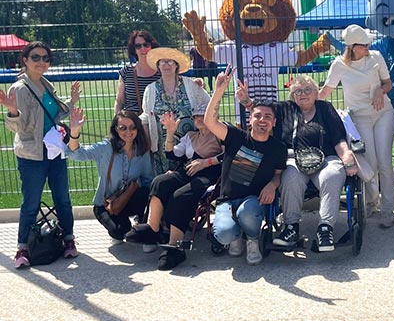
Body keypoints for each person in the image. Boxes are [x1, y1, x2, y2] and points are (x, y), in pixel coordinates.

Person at [237, 75, 357, 252]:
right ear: (293, 95)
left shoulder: (326, 108)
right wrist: (246, 100)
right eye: (298, 91)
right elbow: (262, 113)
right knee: (290, 176)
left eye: (307, 90)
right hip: (293, 158)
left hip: (325, 158)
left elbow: (338, 138)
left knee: (332, 174)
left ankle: (325, 228)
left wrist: (346, 156)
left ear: (316, 93)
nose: (303, 94)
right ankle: (291, 227)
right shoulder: (284, 108)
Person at [0, 41, 81, 269]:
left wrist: (71, 101)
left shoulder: (46, 84)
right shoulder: (19, 89)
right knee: (31, 202)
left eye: (46, 58)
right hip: (32, 155)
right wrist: (13, 111)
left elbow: (54, 113)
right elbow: (18, 127)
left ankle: (68, 240)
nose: (41, 62)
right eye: (36, 57)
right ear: (25, 60)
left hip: (54, 151)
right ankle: (22, 247)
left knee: (63, 199)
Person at [205, 65, 287, 266]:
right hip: (226, 200)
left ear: (274, 123)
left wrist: (273, 185)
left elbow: (278, 174)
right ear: (250, 119)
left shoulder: (278, 148)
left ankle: (252, 239)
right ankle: (234, 237)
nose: (262, 120)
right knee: (224, 234)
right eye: (257, 116)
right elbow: (209, 121)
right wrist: (219, 92)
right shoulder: (235, 136)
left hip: (253, 200)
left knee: (247, 211)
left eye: (268, 117)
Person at [125, 103, 223, 270]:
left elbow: (229, 155)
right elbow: (172, 154)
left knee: (180, 195)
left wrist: (205, 162)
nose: (199, 118)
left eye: (203, 114)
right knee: (160, 181)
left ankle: (175, 246)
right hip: (187, 171)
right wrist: (170, 133)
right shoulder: (191, 136)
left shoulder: (220, 135)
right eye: (196, 115)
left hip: (210, 175)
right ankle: (153, 228)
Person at [319, 24, 394, 228]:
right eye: (363, 44)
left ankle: (388, 209)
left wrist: (381, 91)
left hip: (383, 114)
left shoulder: (376, 57)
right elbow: (326, 90)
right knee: (369, 163)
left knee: (385, 162)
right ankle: (371, 201)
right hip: (359, 117)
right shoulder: (339, 64)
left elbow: (388, 83)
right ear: (352, 47)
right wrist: (307, 104)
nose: (368, 46)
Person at [66, 109, 152, 245]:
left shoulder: (142, 150)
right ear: (116, 129)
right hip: (105, 204)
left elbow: (148, 180)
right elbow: (76, 154)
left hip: (129, 198)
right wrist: (75, 131)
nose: (128, 132)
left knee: (146, 193)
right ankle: (120, 226)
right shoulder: (106, 148)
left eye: (132, 127)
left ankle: (144, 233)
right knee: (120, 232)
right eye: (123, 128)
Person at [141, 47, 210, 175]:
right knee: (163, 184)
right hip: (162, 150)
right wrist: (148, 143)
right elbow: (145, 118)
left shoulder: (191, 85)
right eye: (163, 61)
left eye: (170, 61)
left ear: (176, 65)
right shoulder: (150, 90)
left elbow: (209, 106)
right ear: (158, 65)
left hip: (191, 147)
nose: (166, 65)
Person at [114, 30, 160, 114]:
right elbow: (119, 101)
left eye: (146, 45)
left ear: (152, 46)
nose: (143, 49)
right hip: (132, 124)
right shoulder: (126, 72)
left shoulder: (162, 72)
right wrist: (116, 123)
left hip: (155, 122)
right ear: (134, 49)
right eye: (138, 46)